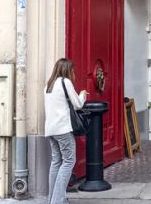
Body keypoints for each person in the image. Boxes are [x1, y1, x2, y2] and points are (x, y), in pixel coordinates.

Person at [44, 58, 87, 204]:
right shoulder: (65, 82)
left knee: (56, 162)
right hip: (63, 129)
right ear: (67, 70)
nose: (73, 73)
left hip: (51, 129)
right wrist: (83, 94)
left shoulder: (48, 85)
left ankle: (52, 199)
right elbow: (78, 104)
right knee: (69, 161)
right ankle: (57, 201)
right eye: (72, 70)